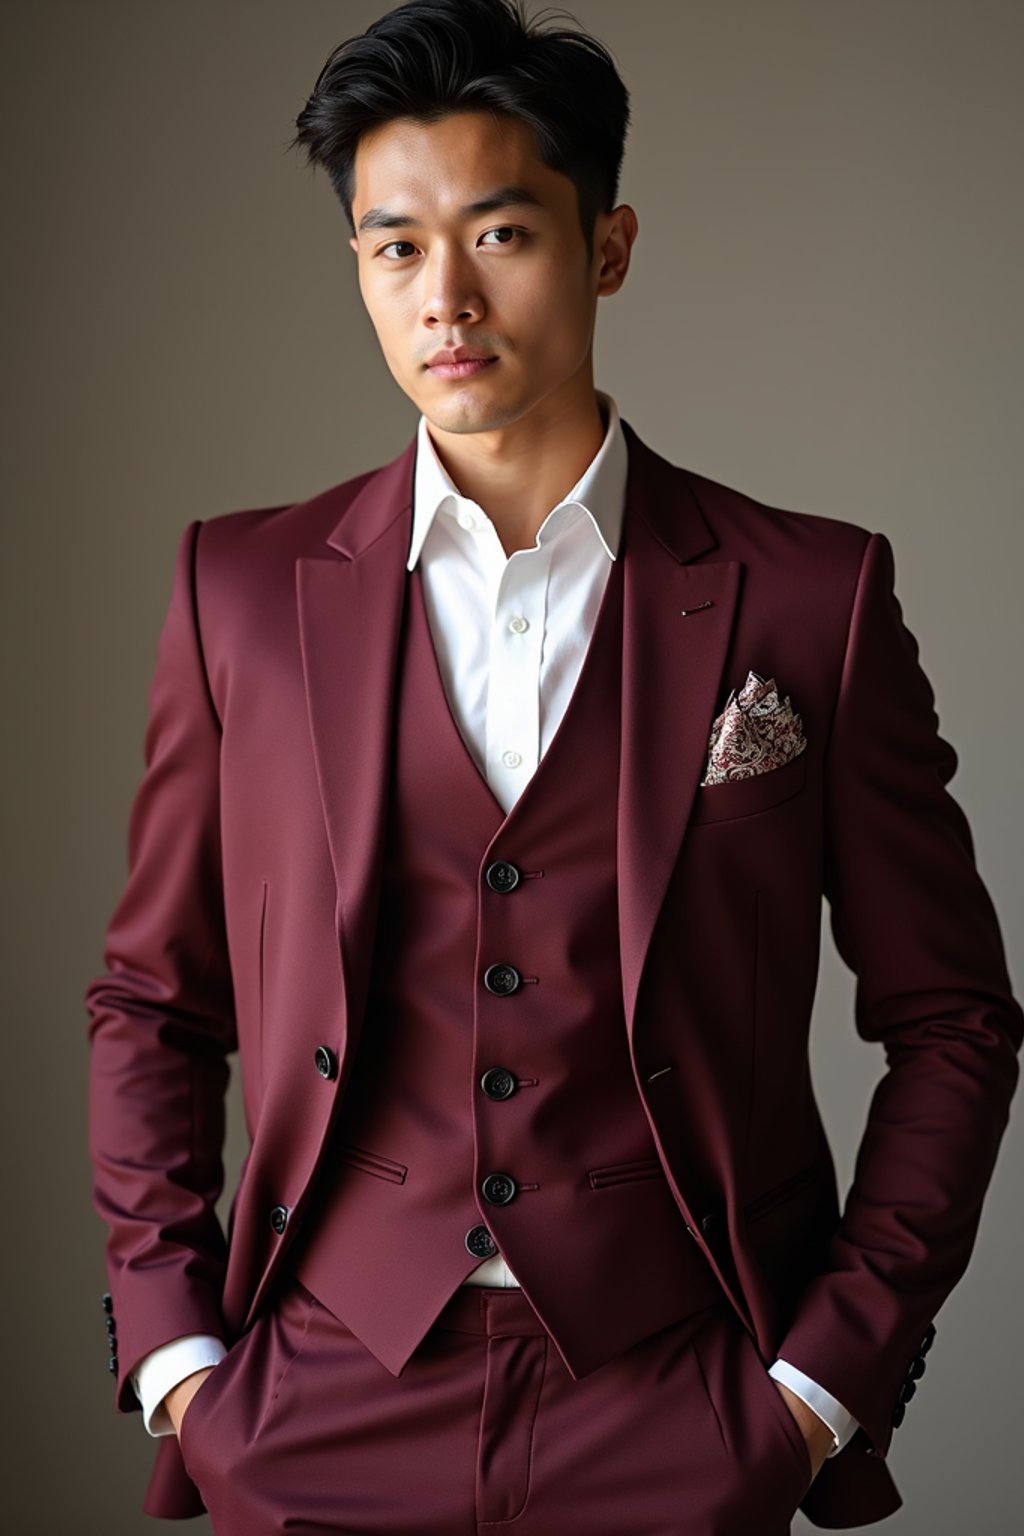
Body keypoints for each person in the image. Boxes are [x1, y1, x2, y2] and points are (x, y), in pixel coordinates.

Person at [85, 1, 1022, 1531]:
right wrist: (185, 1362)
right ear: (361, 276)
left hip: (680, 1399)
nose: (445, 296)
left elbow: (953, 1021)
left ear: (608, 247)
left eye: (501, 233)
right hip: (318, 1393)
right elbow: (151, 999)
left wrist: (816, 1392)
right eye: (396, 248)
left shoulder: (808, 597)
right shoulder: (240, 592)